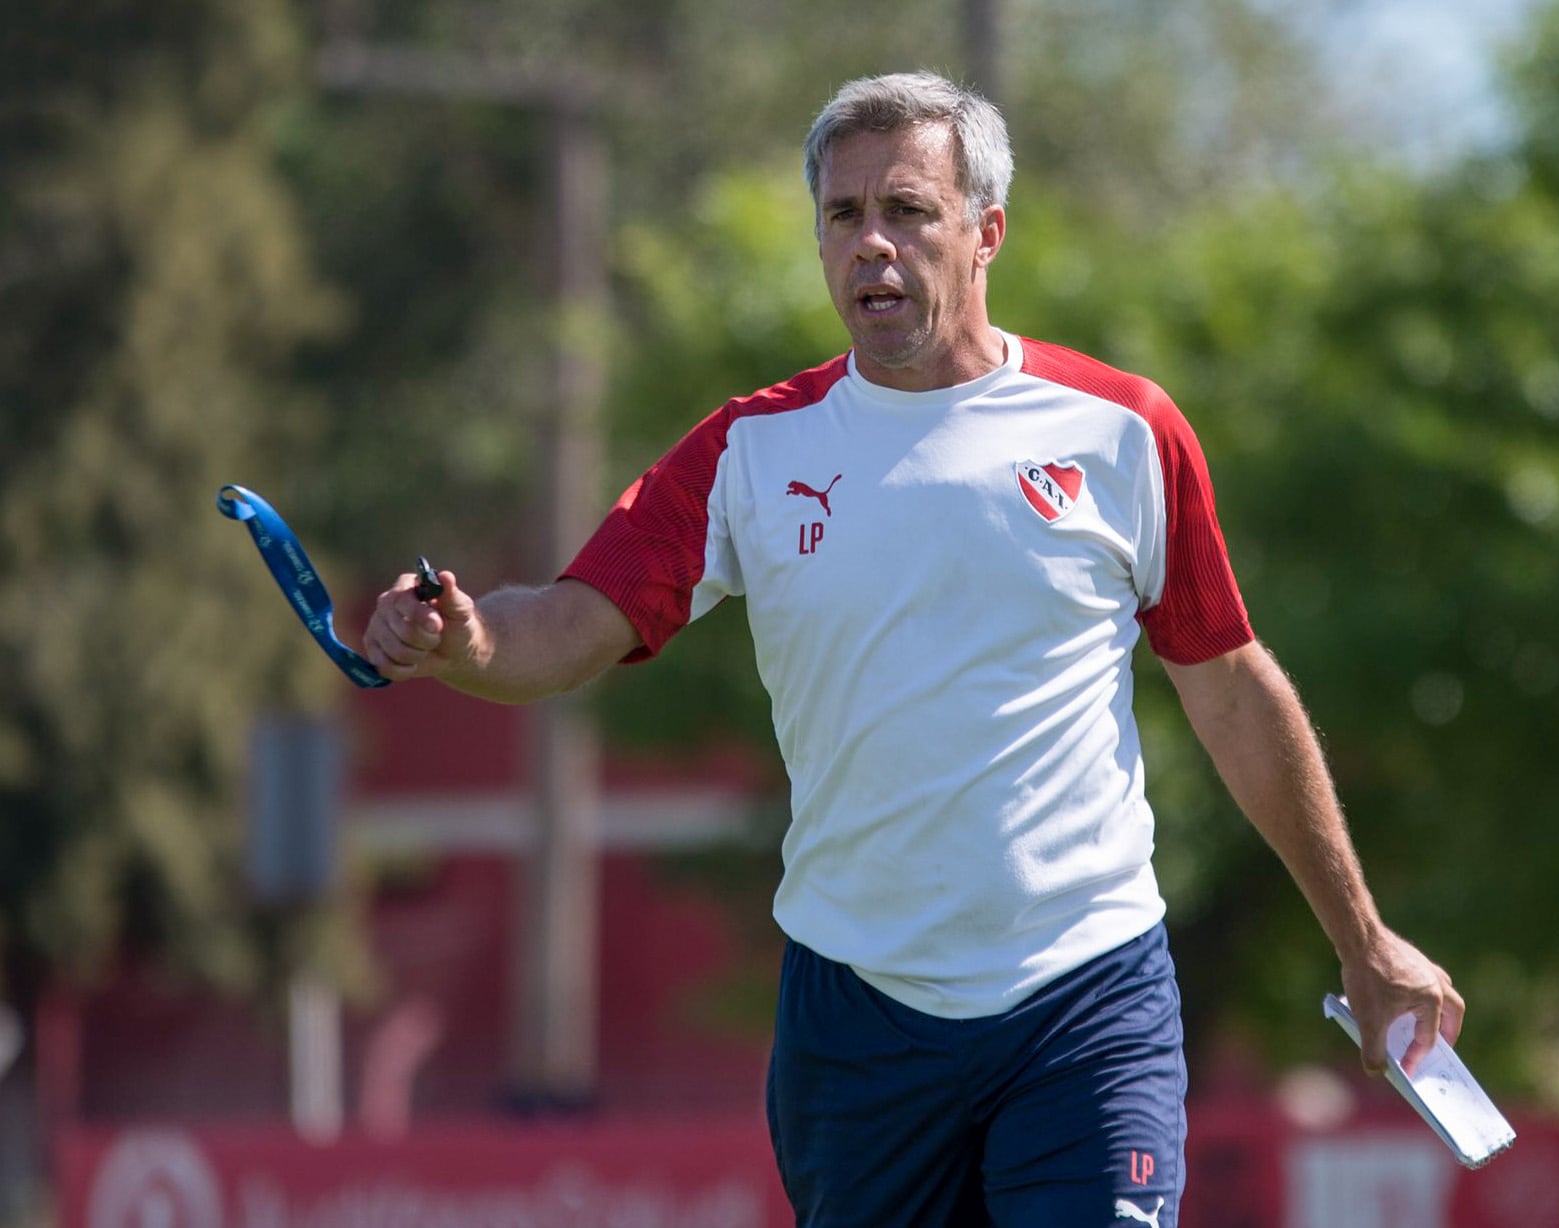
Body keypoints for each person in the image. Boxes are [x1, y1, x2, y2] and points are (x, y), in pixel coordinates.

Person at [363, 70, 1463, 1228]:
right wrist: (466, 636)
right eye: (843, 216)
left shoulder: (1123, 432)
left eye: (907, 210)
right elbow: (568, 624)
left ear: (986, 233)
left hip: (1086, 995)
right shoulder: (749, 450)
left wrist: (1363, 936)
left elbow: (1231, 689)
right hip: (858, 1021)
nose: (871, 244)